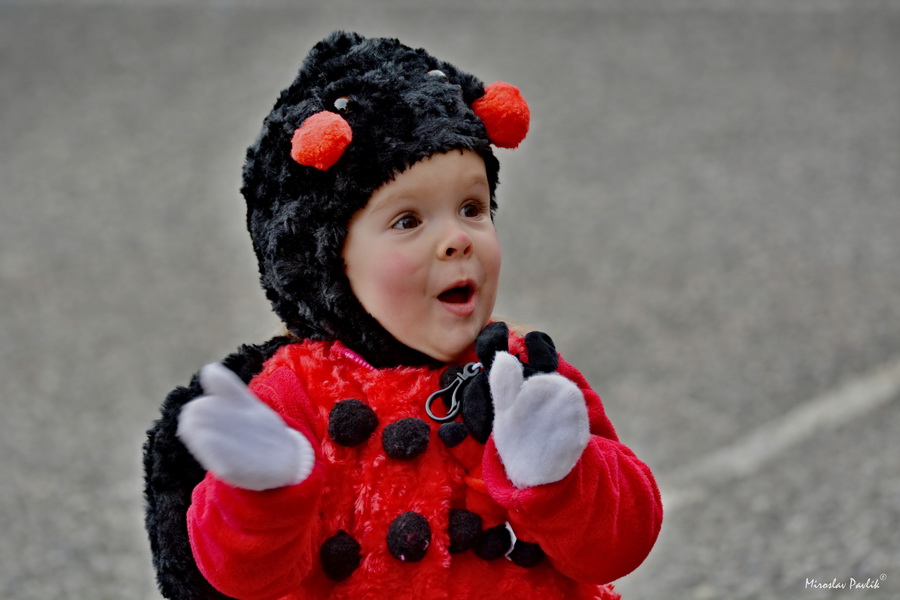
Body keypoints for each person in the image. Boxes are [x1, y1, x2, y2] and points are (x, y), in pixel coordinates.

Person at [143, 31, 662, 600]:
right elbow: (243, 579)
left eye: (472, 208)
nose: (457, 239)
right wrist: (260, 494)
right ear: (326, 260)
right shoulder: (295, 395)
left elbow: (623, 546)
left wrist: (559, 477)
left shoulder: (523, 377)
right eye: (408, 220)